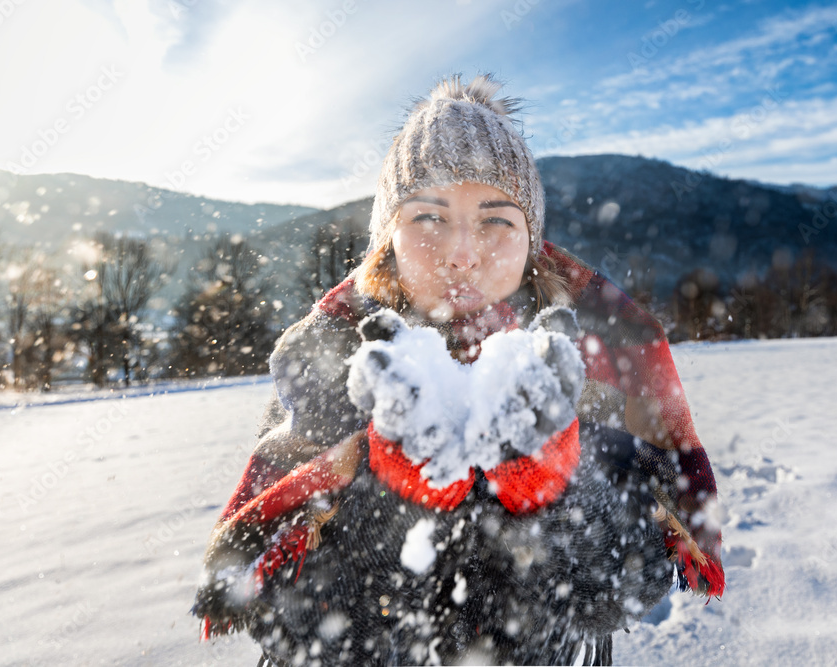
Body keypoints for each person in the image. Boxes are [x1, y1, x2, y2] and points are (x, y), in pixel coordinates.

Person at [193, 74, 724, 666]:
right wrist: (384, 494)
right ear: (387, 237)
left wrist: (552, 487)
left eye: (497, 220)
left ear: (531, 242)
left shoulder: (581, 366)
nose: (462, 253)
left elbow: (624, 589)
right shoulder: (333, 366)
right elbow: (286, 626)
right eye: (428, 217)